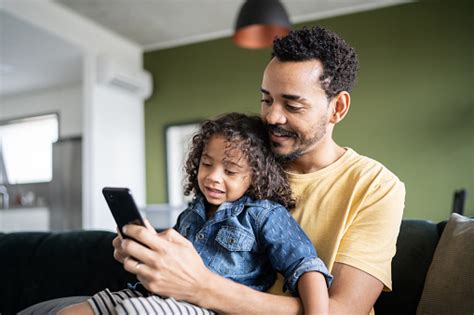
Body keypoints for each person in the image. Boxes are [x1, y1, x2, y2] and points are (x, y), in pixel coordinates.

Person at [105, 26, 405, 314]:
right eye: (266, 99)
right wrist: (151, 253)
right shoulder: (244, 167)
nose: (272, 116)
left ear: (337, 108)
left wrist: (202, 287)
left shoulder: (375, 186)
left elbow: (342, 312)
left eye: (292, 105)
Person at [59, 113, 333, 315]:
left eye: (230, 171)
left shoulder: (264, 215)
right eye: (206, 164)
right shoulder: (192, 212)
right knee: (70, 313)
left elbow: (306, 266)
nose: (213, 177)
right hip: (154, 293)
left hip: (207, 308)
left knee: (134, 311)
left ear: (256, 175)